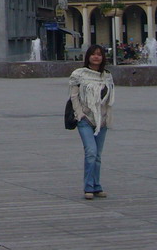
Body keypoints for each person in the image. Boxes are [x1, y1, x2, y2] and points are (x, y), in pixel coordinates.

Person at [69, 44, 115, 200]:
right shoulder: (78, 74)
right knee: (90, 152)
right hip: (85, 119)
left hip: (101, 120)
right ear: (88, 56)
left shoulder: (106, 76)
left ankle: (96, 186)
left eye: (99, 54)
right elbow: (74, 96)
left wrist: (107, 117)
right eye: (93, 54)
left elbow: (109, 98)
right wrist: (79, 114)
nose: (96, 57)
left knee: (97, 155)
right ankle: (88, 187)